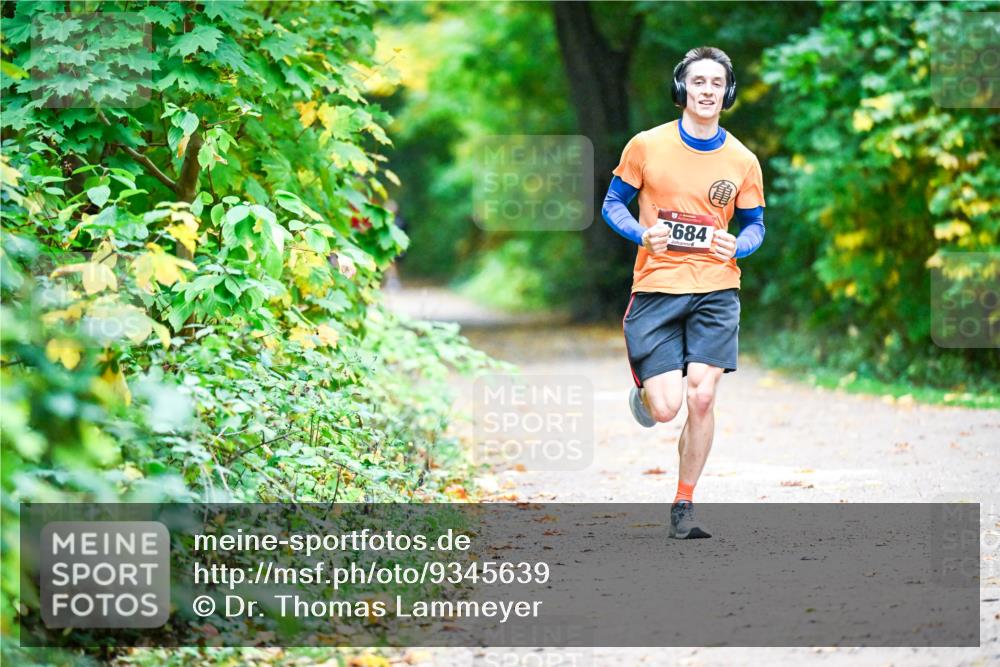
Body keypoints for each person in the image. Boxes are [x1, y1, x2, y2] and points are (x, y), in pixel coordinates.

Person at [601, 46, 766, 539]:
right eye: (699, 82)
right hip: (656, 288)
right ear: (683, 89)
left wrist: (739, 243)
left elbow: (757, 226)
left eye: (717, 83)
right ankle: (647, 398)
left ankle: (684, 504)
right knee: (668, 406)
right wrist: (640, 234)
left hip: (717, 288)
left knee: (702, 396)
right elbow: (613, 204)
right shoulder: (646, 146)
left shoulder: (742, 159)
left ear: (727, 92)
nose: (708, 91)